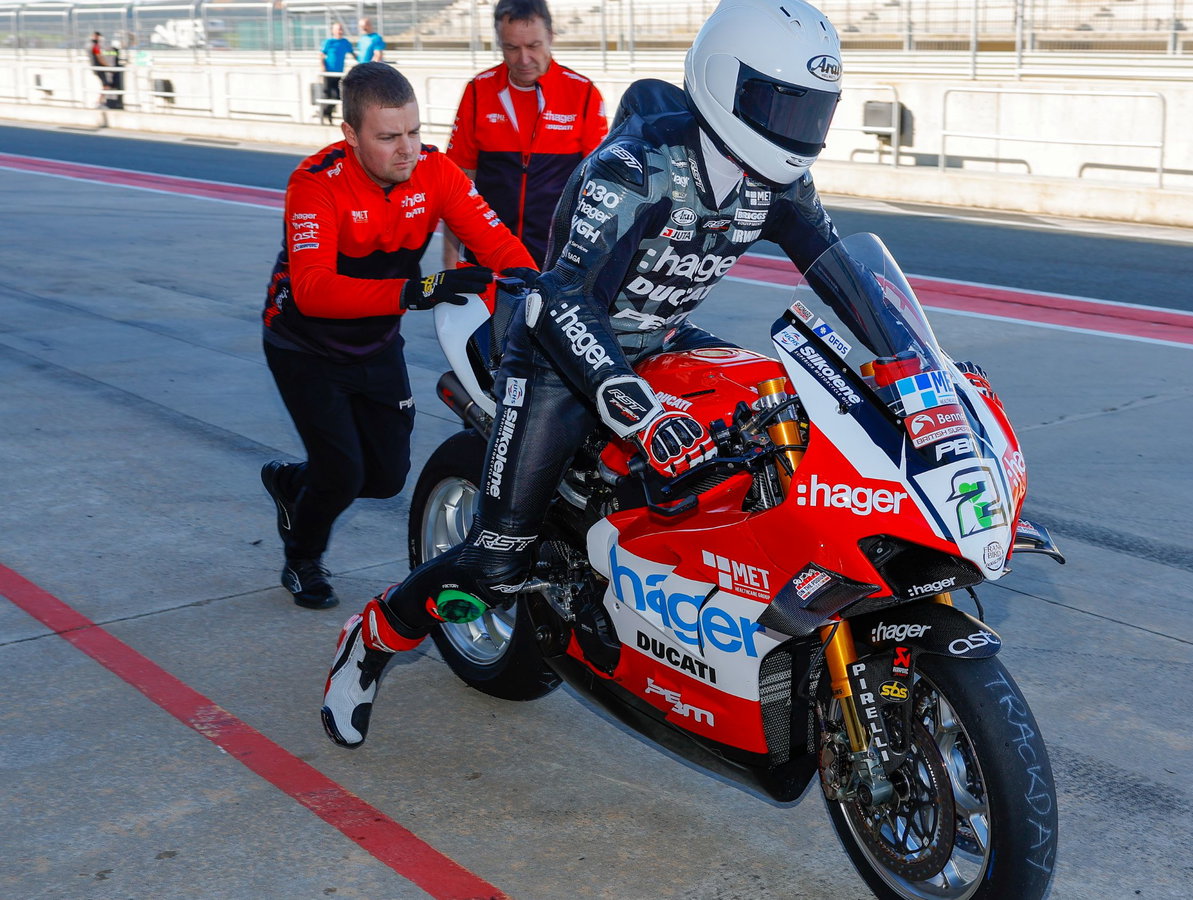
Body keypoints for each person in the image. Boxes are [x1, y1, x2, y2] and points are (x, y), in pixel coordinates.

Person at [321, 0, 861, 747]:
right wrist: (638, 410)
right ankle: (374, 638)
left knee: (779, 425)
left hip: (662, 340)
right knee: (497, 561)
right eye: (780, 105)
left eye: (813, 110)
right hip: (560, 356)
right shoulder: (632, 170)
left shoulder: (780, 182)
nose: (798, 128)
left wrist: (915, 366)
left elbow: (840, 272)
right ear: (721, 84)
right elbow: (560, 297)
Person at [261, 62, 537, 610]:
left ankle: (297, 485)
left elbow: (501, 246)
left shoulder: (436, 172)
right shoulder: (315, 182)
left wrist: (539, 293)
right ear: (351, 136)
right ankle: (302, 558)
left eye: (413, 130)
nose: (406, 147)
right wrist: (414, 291)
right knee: (342, 473)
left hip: (376, 341)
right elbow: (313, 289)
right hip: (305, 347)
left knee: (386, 478)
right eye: (388, 137)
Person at [441, 0, 608, 270]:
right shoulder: (478, 91)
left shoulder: (583, 94)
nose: (523, 59)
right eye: (511, 47)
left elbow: (598, 189)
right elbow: (458, 186)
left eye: (533, 46)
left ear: (550, 36)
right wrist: (450, 265)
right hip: (488, 258)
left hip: (554, 263)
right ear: (498, 42)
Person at [318, 22, 356, 124]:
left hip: (339, 74)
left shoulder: (345, 42)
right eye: (338, 29)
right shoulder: (328, 42)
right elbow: (321, 55)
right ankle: (325, 114)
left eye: (341, 29)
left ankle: (326, 113)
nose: (340, 31)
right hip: (329, 73)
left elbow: (353, 53)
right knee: (328, 94)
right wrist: (323, 68)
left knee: (337, 96)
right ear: (333, 31)